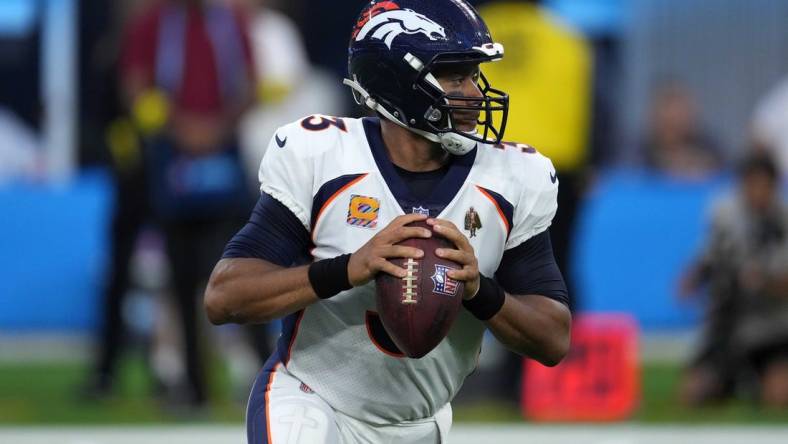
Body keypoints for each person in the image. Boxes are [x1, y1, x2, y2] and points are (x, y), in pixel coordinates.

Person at [205, 1, 571, 442]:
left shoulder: (514, 178)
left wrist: (479, 290)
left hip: (420, 423)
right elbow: (224, 297)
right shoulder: (322, 156)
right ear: (398, 80)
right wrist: (346, 269)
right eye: (455, 75)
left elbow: (553, 338)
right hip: (310, 401)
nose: (474, 92)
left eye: (475, 74)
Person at [111, 0, 257, 407]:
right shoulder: (154, 23)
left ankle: (269, 374)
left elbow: (249, 84)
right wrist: (181, 128)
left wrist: (215, 128)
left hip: (224, 157)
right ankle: (195, 385)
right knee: (181, 279)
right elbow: (136, 87)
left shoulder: (230, 22)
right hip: (170, 162)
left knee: (247, 269)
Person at [679, 152, 788, 407]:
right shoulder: (725, 215)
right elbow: (708, 256)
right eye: (752, 184)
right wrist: (693, 278)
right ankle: (728, 382)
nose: (757, 193)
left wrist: (764, 282)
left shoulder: (783, 221)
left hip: (771, 328)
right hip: (727, 325)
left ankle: (758, 381)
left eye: (764, 186)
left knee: (779, 396)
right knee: (692, 395)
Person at [639, 81, 722, 178]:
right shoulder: (638, 152)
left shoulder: (709, 148)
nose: (674, 122)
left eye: (679, 119)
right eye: (668, 122)